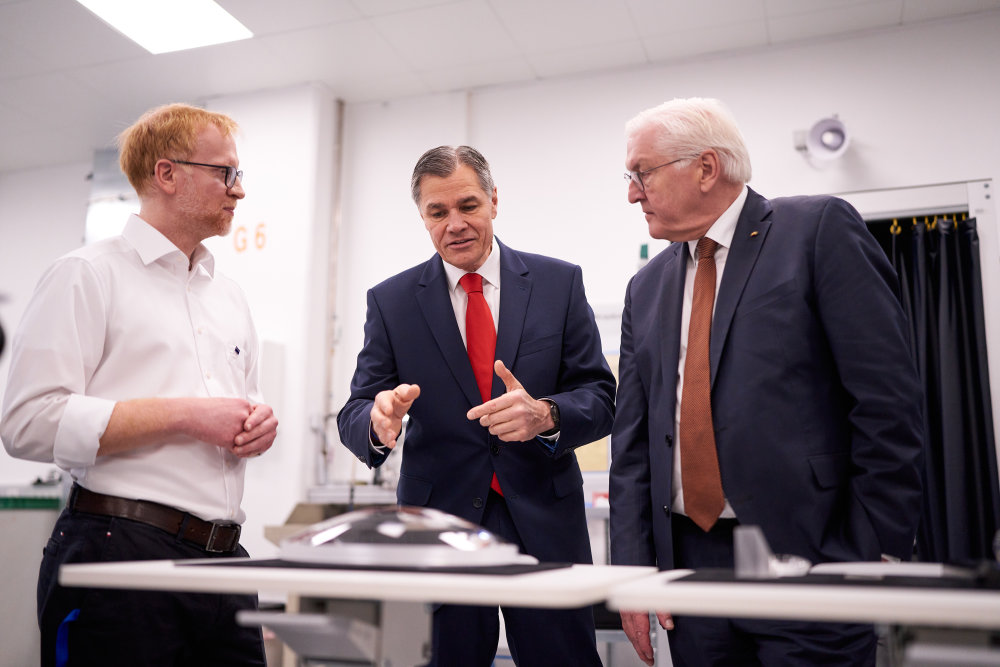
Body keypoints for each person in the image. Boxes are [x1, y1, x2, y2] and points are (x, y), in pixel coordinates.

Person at [609, 98, 924, 666]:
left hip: (811, 552)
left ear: (706, 168)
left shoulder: (815, 230)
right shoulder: (646, 287)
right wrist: (632, 571)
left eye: (642, 173)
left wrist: (872, 546)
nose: (632, 192)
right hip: (690, 567)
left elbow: (887, 401)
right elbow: (632, 445)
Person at [1, 103, 278, 666]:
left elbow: (239, 405)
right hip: (118, 554)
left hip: (224, 562)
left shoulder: (229, 298)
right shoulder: (86, 274)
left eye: (238, 174)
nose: (238, 190)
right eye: (225, 173)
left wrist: (258, 423)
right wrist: (182, 416)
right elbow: (26, 423)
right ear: (167, 174)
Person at [338, 145, 615, 666]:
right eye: (437, 212)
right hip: (442, 524)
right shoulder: (392, 301)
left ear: (493, 200)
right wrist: (377, 422)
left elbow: (601, 396)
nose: (455, 224)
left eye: (468, 205)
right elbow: (355, 408)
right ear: (422, 218)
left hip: (544, 512)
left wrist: (547, 416)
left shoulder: (558, 284)